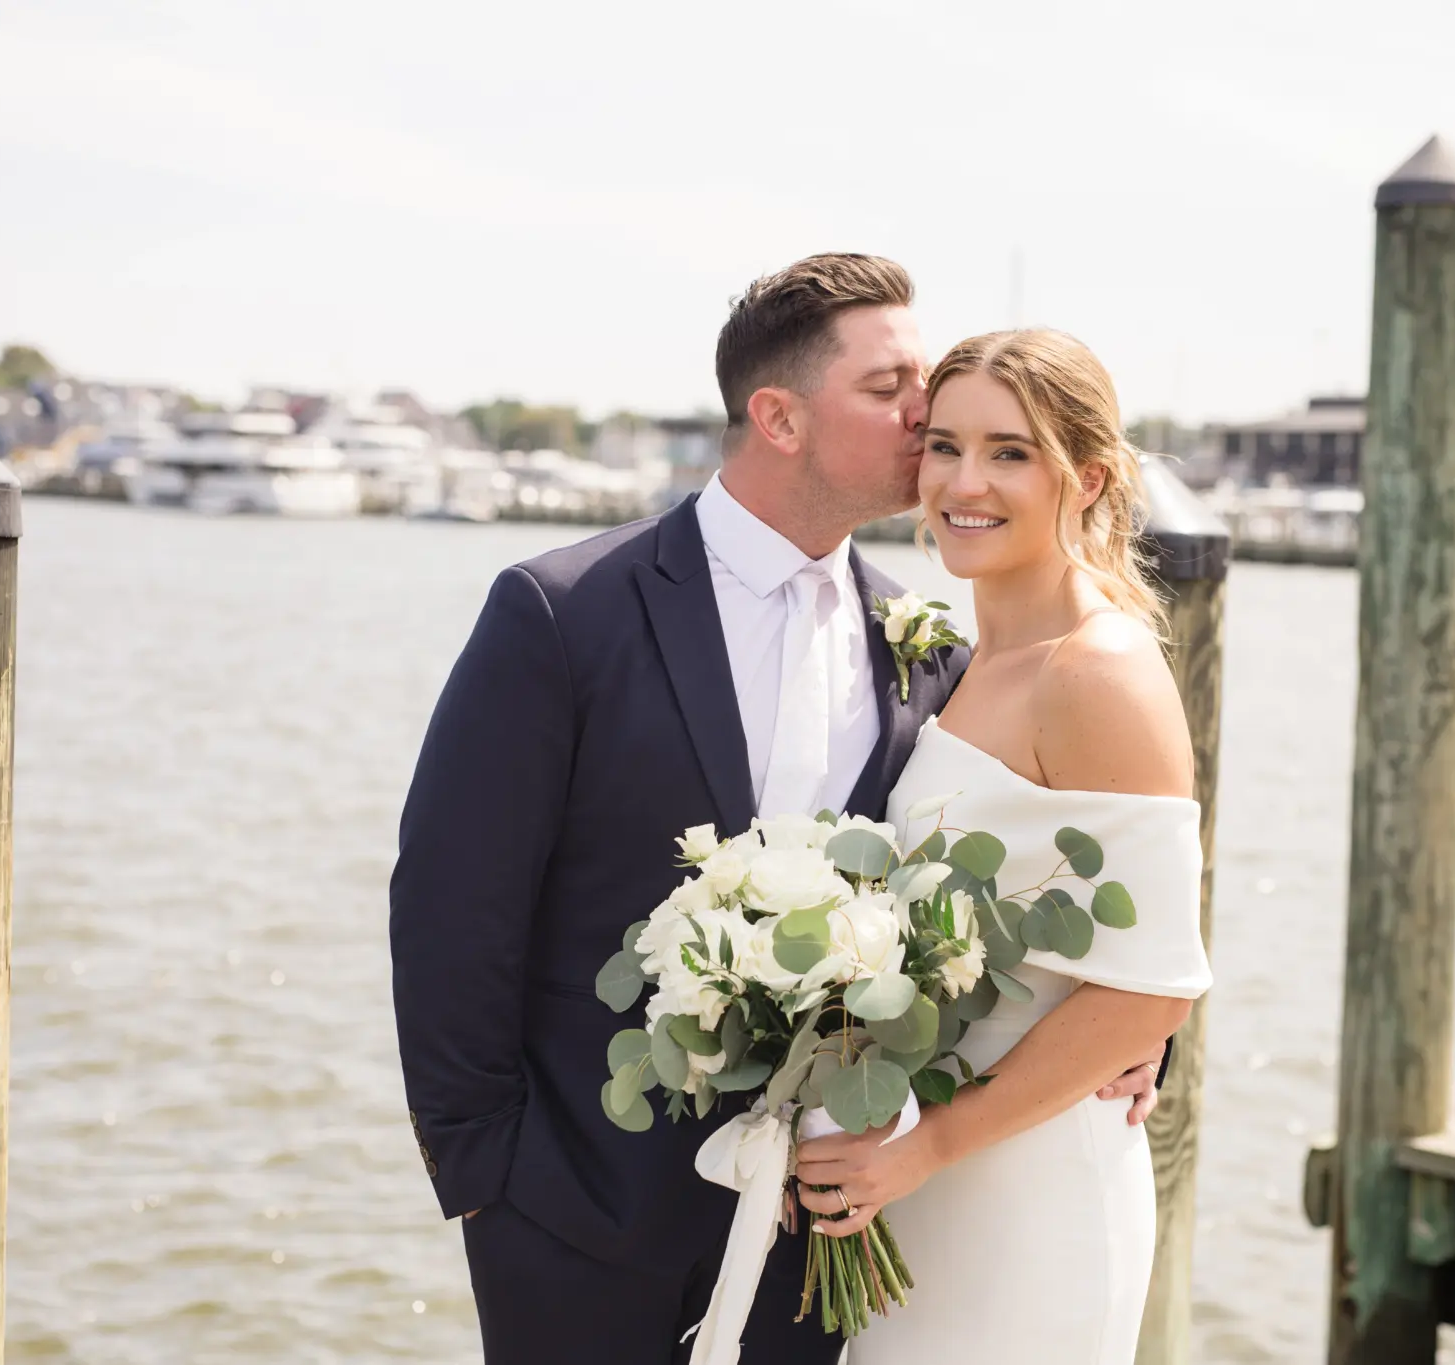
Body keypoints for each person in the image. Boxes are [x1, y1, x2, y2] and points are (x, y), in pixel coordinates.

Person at [388, 257, 1167, 1364]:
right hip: (577, 1221)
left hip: (825, 1233)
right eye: (891, 385)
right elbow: (448, 909)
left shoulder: (930, 649)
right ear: (778, 416)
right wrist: (487, 1185)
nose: (927, 411)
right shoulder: (562, 613)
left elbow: (1028, 881)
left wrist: (1131, 1041)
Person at [792, 328, 1213, 1364]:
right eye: (942, 446)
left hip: (1025, 1193)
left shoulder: (1096, 670)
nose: (962, 481)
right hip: (926, 1184)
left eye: (1009, 452)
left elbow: (1151, 990)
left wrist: (926, 1146)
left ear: (1089, 478)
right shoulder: (965, 657)